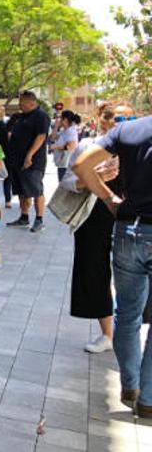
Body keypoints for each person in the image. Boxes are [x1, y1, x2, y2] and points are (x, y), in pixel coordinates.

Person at [73, 113, 152, 418]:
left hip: (128, 229)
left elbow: (82, 165)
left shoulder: (128, 129)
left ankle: (131, 384)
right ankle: (147, 399)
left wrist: (109, 199)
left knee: (128, 313)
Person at [60, 105, 119, 354]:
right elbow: (67, 181)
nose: (116, 123)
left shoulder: (138, 147)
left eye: (125, 117)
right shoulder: (88, 146)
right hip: (93, 217)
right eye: (111, 117)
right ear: (100, 119)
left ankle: (127, 329)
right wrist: (87, 181)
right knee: (94, 272)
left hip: (132, 217)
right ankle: (107, 333)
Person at [5, 91, 50, 233]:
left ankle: (39, 219)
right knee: (21, 191)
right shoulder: (22, 117)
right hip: (16, 161)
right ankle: (24, 217)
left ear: (32, 102)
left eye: (22, 103)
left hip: (32, 162)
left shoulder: (40, 116)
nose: (20, 106)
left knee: (36, 190)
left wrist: (29, 155)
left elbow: (41, 136)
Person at [52, 110, 80, 181]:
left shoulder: (71, 131)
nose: (59, 120)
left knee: (64, 187)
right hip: (62, 163)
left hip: (67, 165)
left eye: (61, 118)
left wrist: (55, 147)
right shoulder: (64, 131)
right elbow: (53, 137)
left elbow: (71, 147)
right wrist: (56, 126)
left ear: (65, 119)